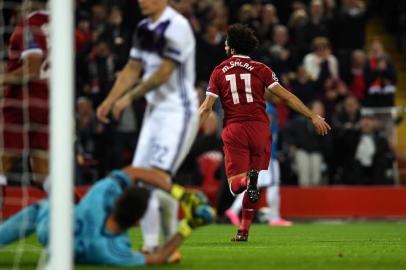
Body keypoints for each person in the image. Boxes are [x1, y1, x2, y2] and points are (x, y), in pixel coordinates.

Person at [199, 24, 330, 241]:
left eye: (226, 43)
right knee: (255, 180)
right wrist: (312, 116)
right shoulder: (262, 69)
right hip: (260, 129)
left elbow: (206, 108)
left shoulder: (219, 70)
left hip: (235, 129)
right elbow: (287, 97)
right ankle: (243, 231)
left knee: (235, 186)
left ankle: (245, 183)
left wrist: (191, 131)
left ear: (231, 47)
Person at [96, 0, 199, 253]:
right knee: (139, 180)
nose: (142, 1)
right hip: (155, 113)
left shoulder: (177, 26)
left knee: (154, 179)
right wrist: (109, 100)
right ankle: (159, 245)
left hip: (178, 113)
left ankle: (157, 246)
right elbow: (132, 68)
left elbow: (164, 72)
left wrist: (128, 98)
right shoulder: (143, 28)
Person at [0, 167, 215, 266]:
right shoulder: (112, 250)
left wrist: (179, 193)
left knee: (46, 207)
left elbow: (134, 172)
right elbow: (158, 258)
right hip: (68, 248)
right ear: (138, 221)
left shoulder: (102, 193)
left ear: (118, 200)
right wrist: (188, 226)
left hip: (52, 226)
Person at [0, 0, 49, 191]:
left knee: (2, 163)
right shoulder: (56, 23)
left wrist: (3, 78)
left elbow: (31, 69)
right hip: (50, 102)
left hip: (23, 102)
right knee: (42, 172)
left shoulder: (30, 25)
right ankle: (65, 215)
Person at [225, 101, 292, 227]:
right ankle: (274, 217)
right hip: (267, 155)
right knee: (273, 185)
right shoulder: (267, 107)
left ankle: (233, 210)